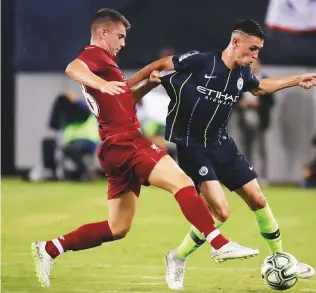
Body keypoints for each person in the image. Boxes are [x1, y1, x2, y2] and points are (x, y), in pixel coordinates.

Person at [31, 9, 257, 288]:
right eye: (120, 36)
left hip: (112, 149)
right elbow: (73, 68)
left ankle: (51, 248)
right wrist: (101, 83)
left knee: (117, 228)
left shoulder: (105, 65)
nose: (123, 43)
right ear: (103, 33)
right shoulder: (95, 55)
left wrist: (145, 87)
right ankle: (219, 243)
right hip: (126, 143)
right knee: (182, 182)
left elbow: (121, 101)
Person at [128, 19, 316, 290]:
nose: (255, 55)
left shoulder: (243, 74)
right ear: (235, 42)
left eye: (258, 50)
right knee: (220, 212)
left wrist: (296, 80)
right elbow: (158, 66)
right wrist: (126, 88)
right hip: (192, 147)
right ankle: (177, 257)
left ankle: (280, 257)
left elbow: (259, 87)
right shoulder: (200, 61)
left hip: (222, 144)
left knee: (257, 199)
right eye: (252, 49)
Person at [237, 58, 274, 183]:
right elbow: (233, 98)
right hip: (244, 118)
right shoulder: (240, 79)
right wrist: (241, 104)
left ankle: (262, 177)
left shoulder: (265, 79)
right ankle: (247, 176)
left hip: (260, 119)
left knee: (260, 149)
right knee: (244, 148)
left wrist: (259, 104)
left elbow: (270, 101)